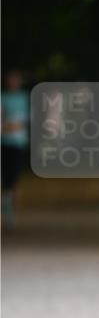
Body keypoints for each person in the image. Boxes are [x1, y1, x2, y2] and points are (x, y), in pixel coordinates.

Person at [1, 70, 30, 227]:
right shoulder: (2, 97)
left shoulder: (24, 98)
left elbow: (24, 121)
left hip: (17, 143)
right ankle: (7, 213)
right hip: (3, 143)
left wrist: (8, 126)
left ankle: (11, 216)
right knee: (5, 180)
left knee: (14, 180)